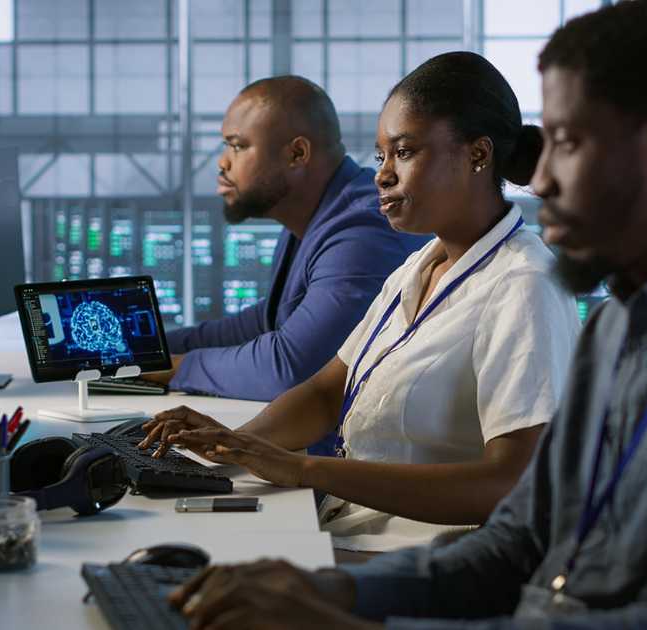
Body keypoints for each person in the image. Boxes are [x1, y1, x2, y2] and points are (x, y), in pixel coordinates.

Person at [162, 1, 647, 628]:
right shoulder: (626, 323)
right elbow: (519, 543)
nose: (541, 180)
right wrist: (333, 593)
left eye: (569, 143)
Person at [142, 52, 580, 553]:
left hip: (423, 557)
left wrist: (303, 468)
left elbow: (512, 485)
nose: (383, 175)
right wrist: (232, 443)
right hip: (348, 527)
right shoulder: (418, 268)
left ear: (478, 156)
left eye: (405, 152)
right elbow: (329, 390)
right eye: (380, 156)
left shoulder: (524, 285)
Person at [145, 76, 428, 405]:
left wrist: (178, 367)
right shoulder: (315, 218)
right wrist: (154, 348)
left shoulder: (364, 230)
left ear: (297, 153)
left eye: (238, 146)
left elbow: (291, 369)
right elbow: (268, 320)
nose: (222, 162)